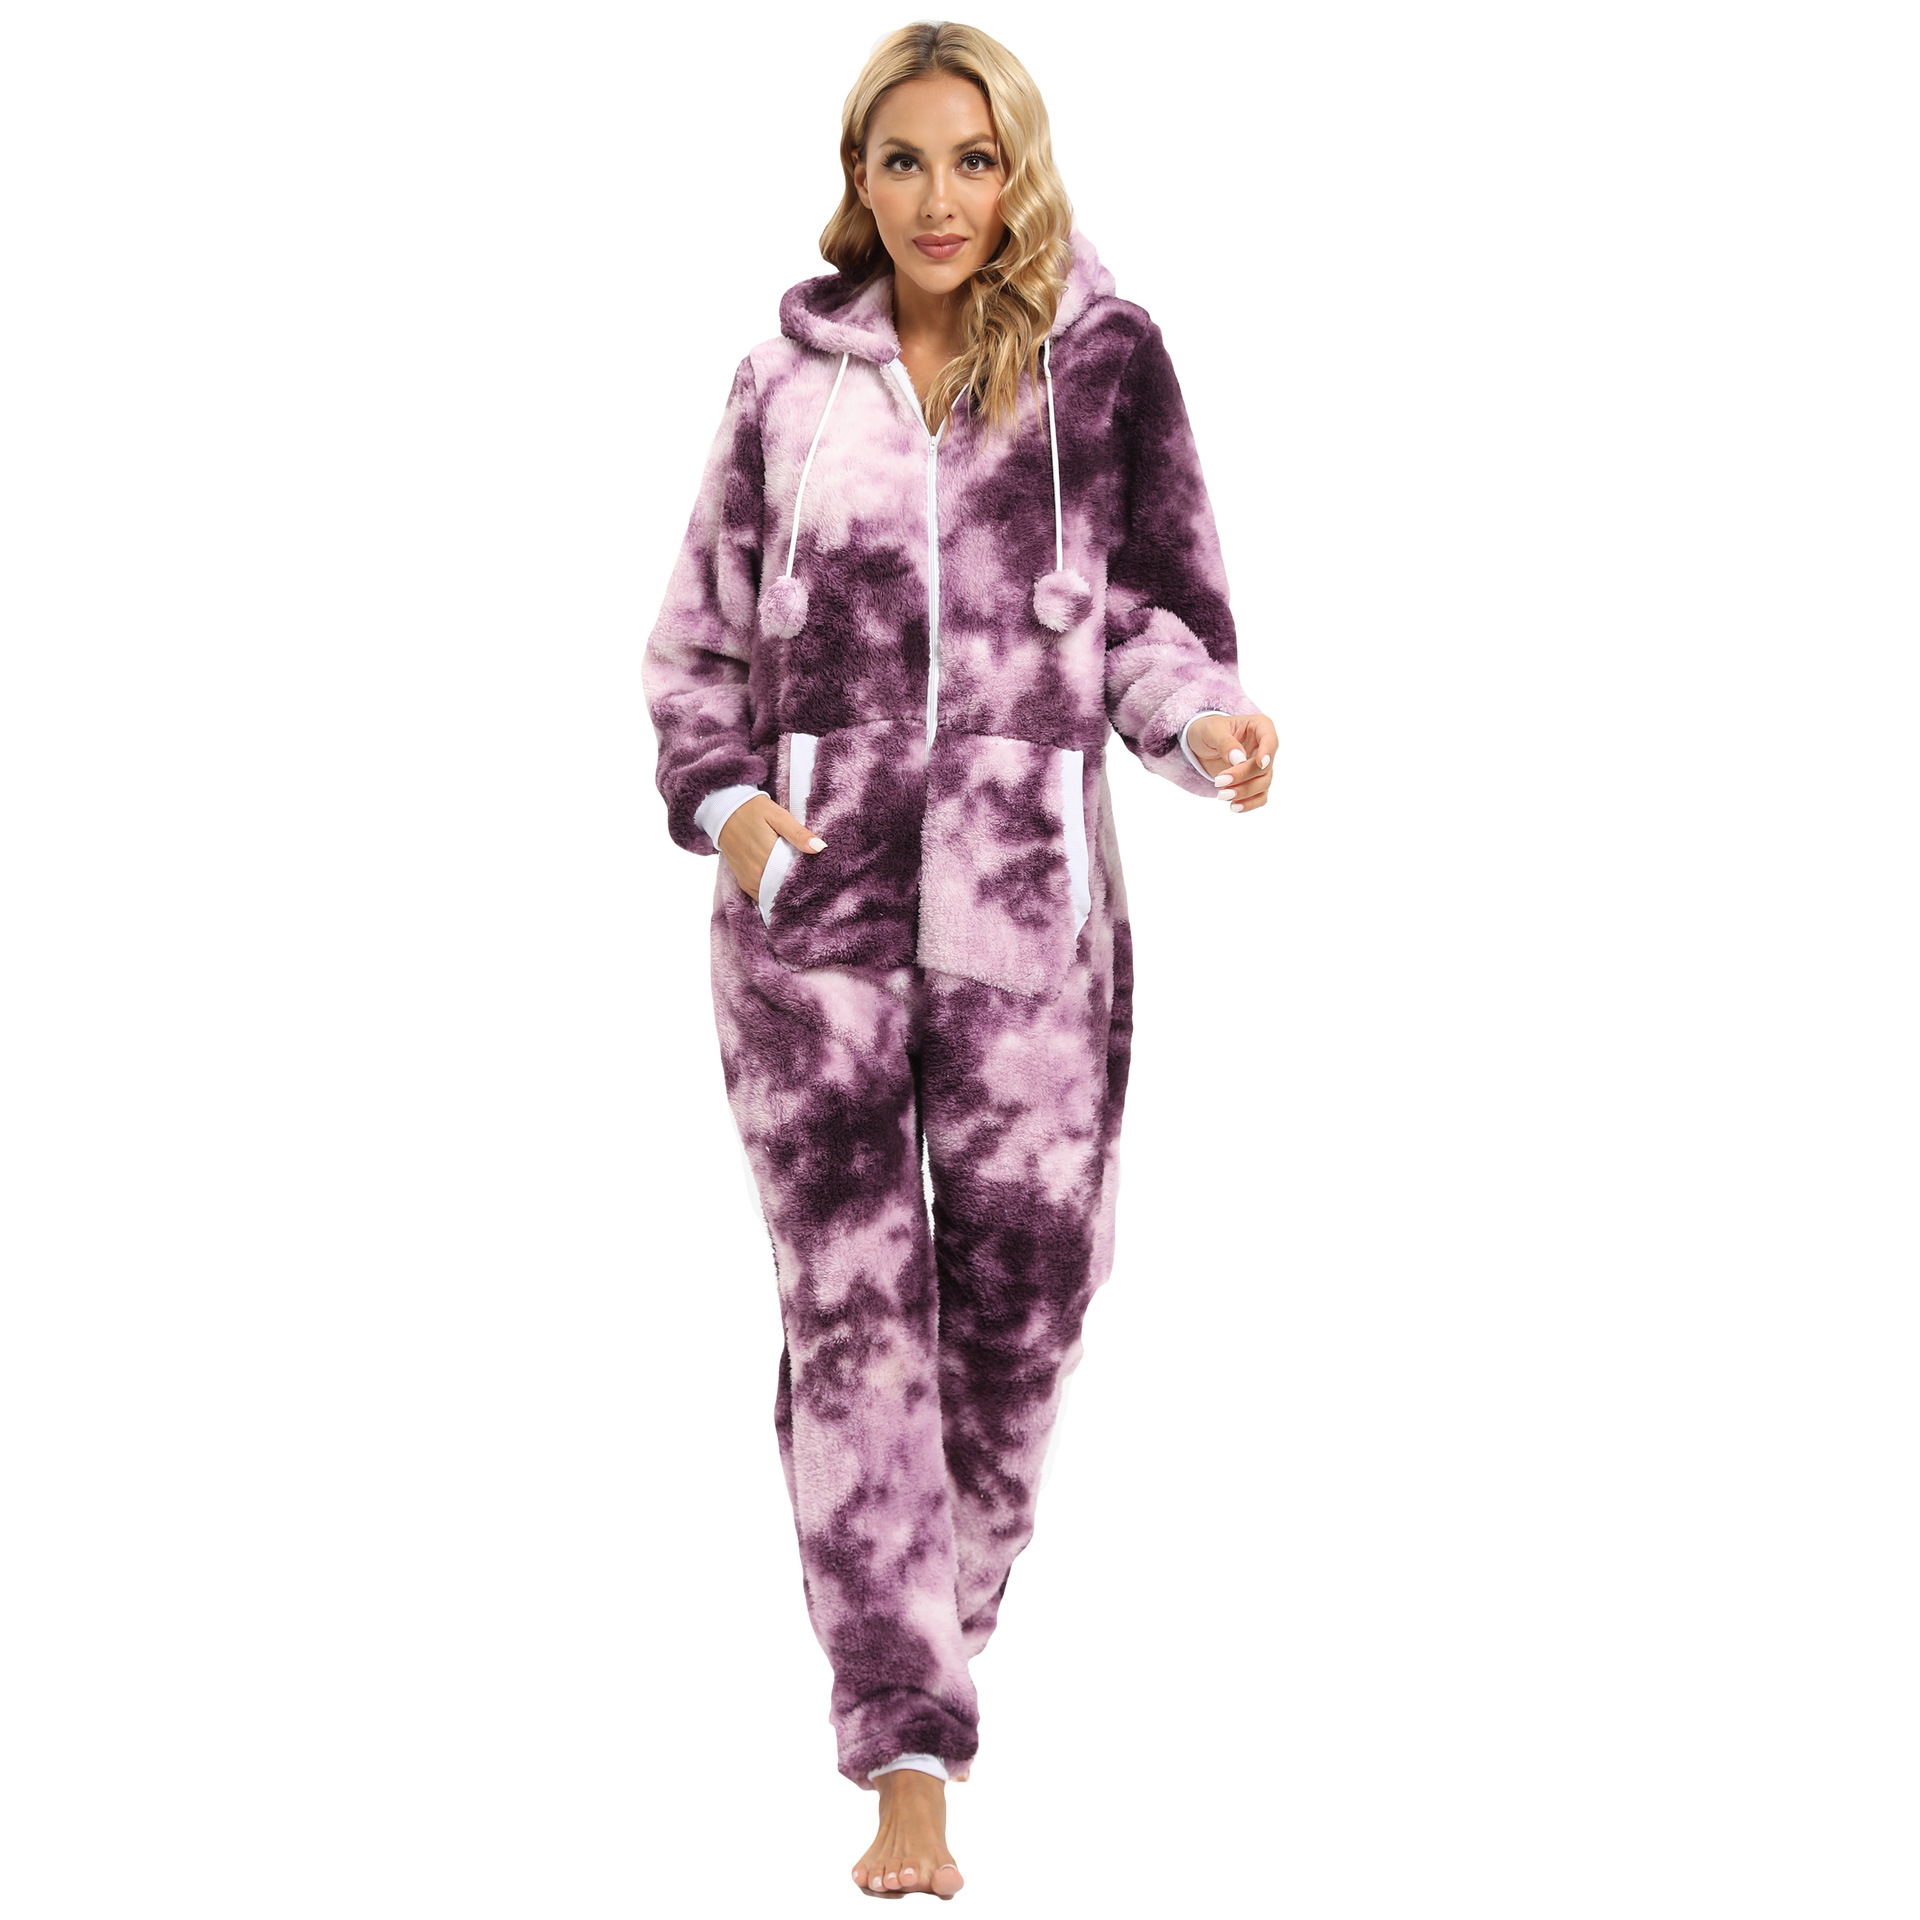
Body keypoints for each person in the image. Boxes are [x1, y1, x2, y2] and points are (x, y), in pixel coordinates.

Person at [643, 21, 1274, 1899]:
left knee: (1024, 1311)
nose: (940, 198)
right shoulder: (783, 377)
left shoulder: (1108, 362)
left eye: (974, 160)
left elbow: (1159, 620)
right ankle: (907, 1743)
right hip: (812, 924)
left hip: (1026, 912)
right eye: (905, 160)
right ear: (861, 175)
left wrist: (1200, 726)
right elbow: (693, 646)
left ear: (1021, 172)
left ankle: (928, 1625)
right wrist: (731, 809)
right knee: (854, 1320)